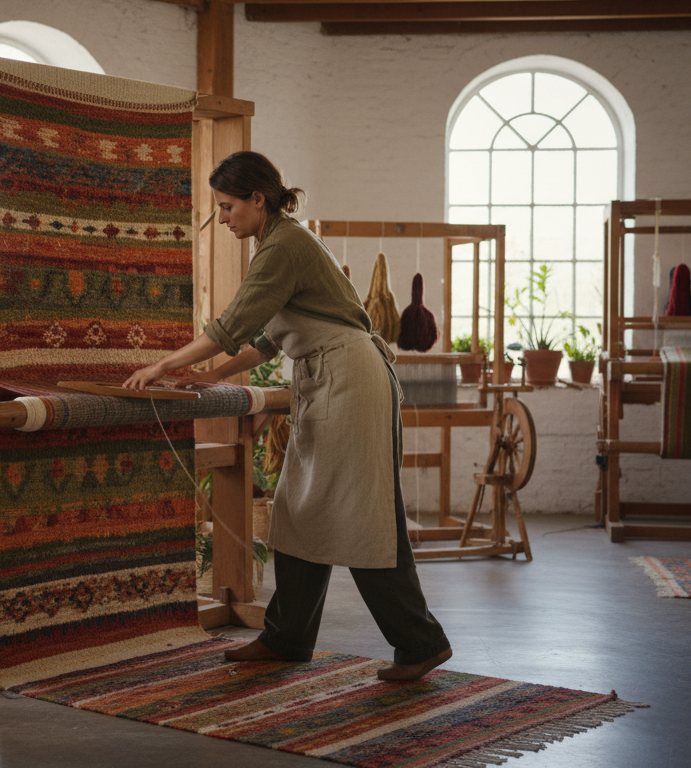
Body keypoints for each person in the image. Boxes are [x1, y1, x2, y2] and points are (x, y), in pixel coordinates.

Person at [122, 151, 452, 681]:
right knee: (298, 511)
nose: (223, 217)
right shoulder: (276, 245)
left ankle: (420, 643)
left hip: (349, 381)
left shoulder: (285, 245)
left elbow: (232, 322)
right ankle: (287, 639)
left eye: (228, 206)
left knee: (363, 514)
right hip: (331, 379)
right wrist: (209, 375)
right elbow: (261, 341)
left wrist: (166, 363)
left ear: (259, 199)